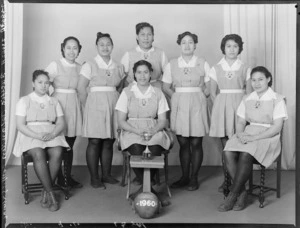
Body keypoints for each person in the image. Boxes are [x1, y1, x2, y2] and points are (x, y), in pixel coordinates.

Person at [218, 66, 288, 212]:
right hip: (248, 133)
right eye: (254, 80)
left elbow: (276, 127)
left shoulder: (277, 99)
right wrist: (240, 134)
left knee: (246, 153)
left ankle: (233, 195)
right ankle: (242, 192)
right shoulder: (247, 98)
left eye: (261, 79)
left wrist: (255, 137)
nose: (257, 83)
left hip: (268, 136)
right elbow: (241, 122)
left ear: (268, 79)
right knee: (228, 150)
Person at [13, 70, 70, 212]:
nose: (44, 86)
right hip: (30, 133)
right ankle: (51, 194)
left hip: (51, 132)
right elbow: (20, 125)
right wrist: (37, 136)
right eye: (40, 82)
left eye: (47, 83)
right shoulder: (24, 100)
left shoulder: (54, 101)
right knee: (38, 153)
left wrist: (53, 134)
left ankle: (45, 190)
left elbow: (61, 123)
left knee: (57, 152)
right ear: (33, 83)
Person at [116, 60, 171, 205]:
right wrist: (136, 130)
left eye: (145, 72)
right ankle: (150, 191)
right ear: (134, 74)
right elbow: (121, 121)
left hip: (154, 128)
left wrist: (153, 130)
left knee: (154, 149)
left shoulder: (157, 92)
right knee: (137, 149)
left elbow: (163, 120)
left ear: (150, 74)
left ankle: (143, 192)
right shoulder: (127, 92)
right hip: (131, 128)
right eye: (139, 72)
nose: (142, 76)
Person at [162, 31, 210, 191]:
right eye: (184, 42)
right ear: (180, 45)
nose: (187, 45)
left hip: (197, 102)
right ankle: (184, 176)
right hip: (180, 103)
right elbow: (165, 86)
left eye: (190, 42)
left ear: (195, 45)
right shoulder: (172, 64)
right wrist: (176, 97)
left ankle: (194, 178)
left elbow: (210, 84)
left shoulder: (202, 62)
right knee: (183, 143)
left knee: (196, 142)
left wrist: (201, 96)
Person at [77, 32, 125, 189]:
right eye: (101, 44)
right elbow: (81, 88)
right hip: (94, 104)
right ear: (96, 46)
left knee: (109, 141)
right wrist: (89, 107)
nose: (105, 47)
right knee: (95, 141)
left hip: (113, 103)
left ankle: (106, 174)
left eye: (108, 44)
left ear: (112, 46)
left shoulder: (118, 66)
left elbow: (120, 87)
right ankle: (94, 177)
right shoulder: (89, 64)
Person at [208, 34, 252, 192]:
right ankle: (227, 179)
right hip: (222, 107)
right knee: (225, 145)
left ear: (240, 48)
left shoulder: (246, 67)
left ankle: (238, 182)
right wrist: (221, 107)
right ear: (223, 48)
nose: (232, 49)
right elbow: (212, 93)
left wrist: (242, 110)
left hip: (240, 106)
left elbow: (248, 93)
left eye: (235, 46)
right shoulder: (216, 68)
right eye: (228, 46)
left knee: (238, 143)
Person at [45, 36, 83, 189]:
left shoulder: (80, 67)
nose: (71, 51)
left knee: (69, 143)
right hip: (58, 103)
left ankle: (66, 177)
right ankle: (57, 176)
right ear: (63, 49)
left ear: (79, 50)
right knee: (58, 142)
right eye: (68, 47)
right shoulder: (55, 65)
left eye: (75, 48)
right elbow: (43, 83)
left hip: (74, 104)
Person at [121, 22, 168, 89]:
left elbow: (167, 76)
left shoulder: (160, 53)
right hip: (134, 89)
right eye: (142, 34)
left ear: (153, 36)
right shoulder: (129, 54)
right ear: (137, 36)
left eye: (149, 34)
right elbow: (122, 77)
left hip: (155, 89)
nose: (146, 38)